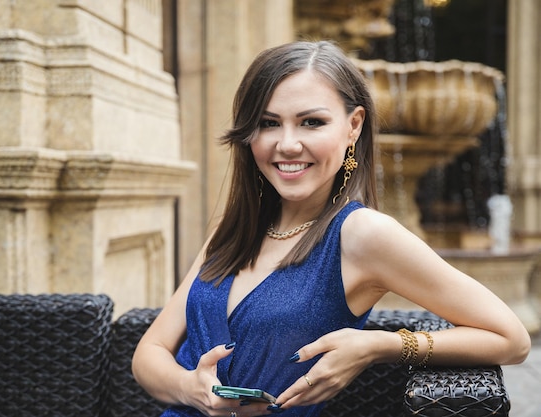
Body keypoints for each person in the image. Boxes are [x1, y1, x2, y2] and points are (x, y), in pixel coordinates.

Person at [131, 40, 531, 417]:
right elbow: (149, 353)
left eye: (311, 122)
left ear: (353, 126)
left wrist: (379, 344)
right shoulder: (236, 229)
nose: (287, 144)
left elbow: (510, 338)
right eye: (269, 123)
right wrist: (192, 390)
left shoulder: (363, 234)